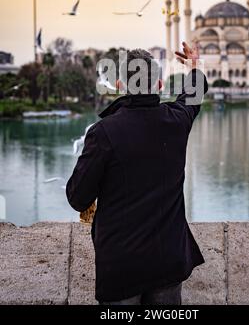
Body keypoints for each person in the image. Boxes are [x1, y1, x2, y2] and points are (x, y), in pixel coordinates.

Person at [66, 42, 208, 305]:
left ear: (120, 85)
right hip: (168, 260)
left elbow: (77, 197)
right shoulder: (176, 120)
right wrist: (195, 66)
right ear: (159, 85)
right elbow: (193, 97)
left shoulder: (103, 133)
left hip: (122, 266)